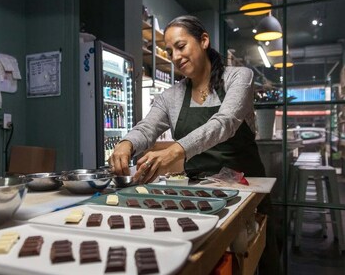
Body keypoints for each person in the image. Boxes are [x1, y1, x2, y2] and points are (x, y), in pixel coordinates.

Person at [110, 15, 280, 274]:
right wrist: (126, 144)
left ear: (203, 41)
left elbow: (224, 123)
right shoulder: (171, 96)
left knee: (262, 258)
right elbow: (147, 127)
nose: (175, 57)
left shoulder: (238, 77)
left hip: (246, 190)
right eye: (169, 51)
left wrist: (175, 151)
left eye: (181, 46)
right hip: (200, 195)